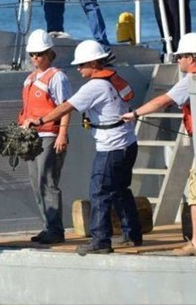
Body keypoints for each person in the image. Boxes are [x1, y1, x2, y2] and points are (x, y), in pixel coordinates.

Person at [23, 40, 142, 254]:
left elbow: (66, 106)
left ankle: (100, 241)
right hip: (128, 143)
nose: (78, 69)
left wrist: (40, 121)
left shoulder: (95, 86)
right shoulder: (113, 80)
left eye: (82, 65)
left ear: (94, 63)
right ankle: (132, 235)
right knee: (120, 191)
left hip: (111, 147)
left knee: (99, 193)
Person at [121, 32, 196, 257]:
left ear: (191, 58)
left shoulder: (190, 81)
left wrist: (135, 113)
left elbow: (163, 100)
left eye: (180, 57)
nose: (178, 61)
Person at [18, 29, 72, 245]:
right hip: (32, 137)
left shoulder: (57, 77)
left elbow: (66, 107)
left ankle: (56, 230)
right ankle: (47, 225)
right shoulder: (30, 79)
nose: (35, 59)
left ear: (49, 53)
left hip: (50, 134)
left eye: (39, 54)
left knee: (48, 182)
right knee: (35, 183)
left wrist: (62, 134)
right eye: (32, 54)